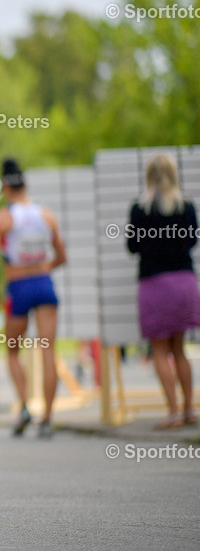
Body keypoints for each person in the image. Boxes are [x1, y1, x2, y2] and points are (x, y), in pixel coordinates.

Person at [0, 158, 67, 438]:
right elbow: (62, 256)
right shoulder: (47, 215)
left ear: (4, 187)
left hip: (18, 287)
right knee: (48, 351)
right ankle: (48, 418)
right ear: (25, 184)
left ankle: (26, 406)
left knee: (13, 352)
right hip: (44, 284)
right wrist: (43, 269)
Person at [126, 154, 198, 429]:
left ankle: (173, 412)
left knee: (159, 350)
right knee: (180, 349)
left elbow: (132, 246)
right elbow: (192, 241)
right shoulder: (186, 206)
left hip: (154, 284)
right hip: (183, 282)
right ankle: (190, 409)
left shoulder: (139, 210)